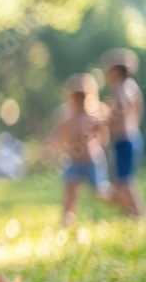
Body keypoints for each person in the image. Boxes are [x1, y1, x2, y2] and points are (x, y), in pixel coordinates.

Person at [50, 74, 110, 226]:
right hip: (74, 161)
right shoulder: (66, 115)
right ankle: (66, 220)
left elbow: (103, 135)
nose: (79, 99)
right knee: (70, 189)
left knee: (100, 193)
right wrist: (52, 148)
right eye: (75, 95)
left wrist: (99, 141)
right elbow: (58, 136)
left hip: (92, 160)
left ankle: (126, 205)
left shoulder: (94, 113)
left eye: (82, 95)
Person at [103, 49, 145, 219]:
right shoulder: (132, 87)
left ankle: (139, 216)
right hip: (133, 137)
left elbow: (119, 111)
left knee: (125, 182)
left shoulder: (121, 88)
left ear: (117, 71)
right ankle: (128, 215)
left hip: (124, 140)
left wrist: (106, 118)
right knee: (123, 180)